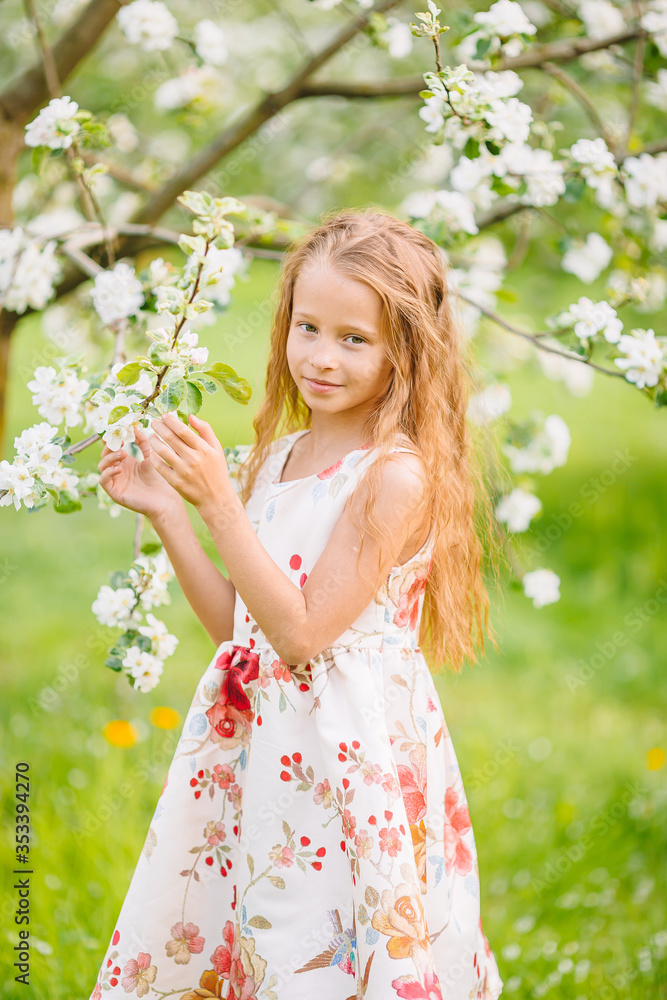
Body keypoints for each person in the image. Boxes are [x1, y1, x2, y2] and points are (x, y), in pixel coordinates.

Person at [90, 208, 505, 1000]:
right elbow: (241, 629)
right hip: (265, 748)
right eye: (306, 326)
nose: (319, 356)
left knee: (326, 937)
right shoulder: (277, 458)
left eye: (354, 339)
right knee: (252, 921)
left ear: (404, 353)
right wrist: (174, 514)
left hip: (347, 759)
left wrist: (218, 505)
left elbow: (304, 633)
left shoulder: (394, 476)